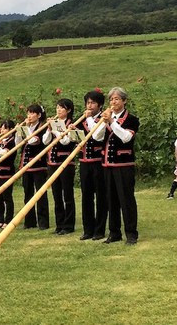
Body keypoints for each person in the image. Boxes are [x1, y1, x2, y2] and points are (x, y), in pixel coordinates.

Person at [95, 87, 140, 245]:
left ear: (124, 101)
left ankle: (131, 233)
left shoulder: (132, 119)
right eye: (111, 100)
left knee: (126, 199)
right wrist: (103, 122)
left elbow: (126, 137)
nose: (113, 102)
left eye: (116, 99)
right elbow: (96, 136)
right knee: (110, 199)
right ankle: (114, 233)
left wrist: (112, 122)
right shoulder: (107, 118)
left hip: (124, 164)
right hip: (107, 164)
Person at [78, 90, 108, 241]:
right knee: (86, 196)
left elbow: (97, 135)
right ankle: (87, 229)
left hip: (98, 163)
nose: (89, 106)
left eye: (92, 103)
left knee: (101, 196)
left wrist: (89, 119)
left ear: (100, 105)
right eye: (87, 103)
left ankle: (99, 229)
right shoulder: (82, 120)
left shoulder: (102, 119)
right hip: (84, 163)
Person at [45, 98, 77, 235]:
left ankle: (69, 225)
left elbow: (64, 141)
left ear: (68, 110)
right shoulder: (54, 124)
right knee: (56, 195)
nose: (58, 110)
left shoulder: (72, 124)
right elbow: (45, 141)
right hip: (52, 163)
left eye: (61, 108)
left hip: (66, 163)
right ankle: (59, 224)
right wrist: (48, 129)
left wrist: (56, 130)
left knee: (67, 195)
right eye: (57, 107)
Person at [17, 104, 50, 230]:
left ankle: (43, 222)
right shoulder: (27, 127)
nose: (29, 116)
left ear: (39, 115)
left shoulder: (42, 127)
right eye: (28, 113)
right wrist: (19, 131)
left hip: (38, 165)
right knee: (27, 193)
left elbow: (34, 140)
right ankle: (29, 221)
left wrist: (25, 129)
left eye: (32, 113)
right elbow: (19, 143)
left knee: (40, 194)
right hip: (26, 165)